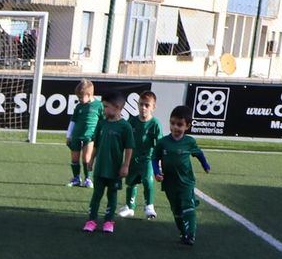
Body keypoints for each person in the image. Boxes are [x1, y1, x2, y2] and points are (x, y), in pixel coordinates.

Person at [153, 105, 212, 246]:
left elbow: (198, 153)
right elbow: (154, 158)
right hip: (169, 183)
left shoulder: (189, 142)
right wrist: (156, 172)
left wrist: (205, 165)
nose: (175, 127)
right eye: (172, 123)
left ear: (187, 126)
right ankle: (183, 232)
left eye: (179, 124)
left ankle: (191, 235)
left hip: (186, 182)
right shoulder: (163, 142)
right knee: (177, 210)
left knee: (187, 207)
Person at [83, 91, 133, 234]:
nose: (103, 109)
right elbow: (96, 144)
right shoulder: (102, 123)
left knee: (112, 196)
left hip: (115, 170)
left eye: (105, 106)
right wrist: (91, 159)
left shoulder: (125, 127)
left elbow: (129, 148)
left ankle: (108, 222)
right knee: (96, 196)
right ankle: (91, 221)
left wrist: (125, 165)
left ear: (117, 107)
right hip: (100, 169)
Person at [119, 89, 161, 220]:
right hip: (132, 158)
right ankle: (130, 207)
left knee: (148, 181)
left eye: (147, 105)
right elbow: (125, 138)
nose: (143, 108)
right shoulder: (132, 121)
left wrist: (158, 162)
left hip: (147, 159)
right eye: (141, 104)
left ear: (153, 107)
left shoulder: (155, 124)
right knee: (131, 182)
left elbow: (159, 143)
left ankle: (149, 206)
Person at [65, 79, 101, 188]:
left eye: (80, 97)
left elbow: (103, 121)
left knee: (86, 158)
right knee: (75, 158)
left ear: (89, 94)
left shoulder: (99, 106)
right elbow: (73, 121)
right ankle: (76, 178)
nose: (79, 100)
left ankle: (88, 178)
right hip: (76, 136)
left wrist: (100, 135)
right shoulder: (79, 107)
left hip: (90, 137)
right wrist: (69, 135)